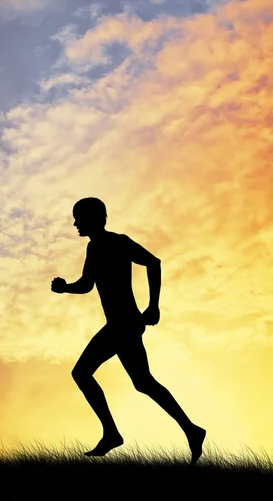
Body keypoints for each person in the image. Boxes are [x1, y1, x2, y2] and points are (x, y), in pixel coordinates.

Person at [51, 197, 206, 464]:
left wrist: (154, 306)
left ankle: (112, 434)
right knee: (143, 382)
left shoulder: (118, 242)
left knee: (82, 372)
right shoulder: (94, 247)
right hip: (119, 325)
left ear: (95, 218)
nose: (75, 223)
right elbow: (87, 285)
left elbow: (153, 262)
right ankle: (191, 430)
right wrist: (66, 287)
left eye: (79, 218)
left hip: (125, 324)